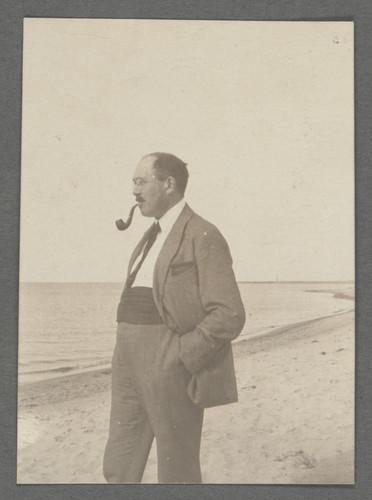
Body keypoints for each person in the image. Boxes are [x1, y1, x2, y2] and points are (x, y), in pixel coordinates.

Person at [103, 152, 246, 483]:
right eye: (133, 182)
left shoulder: (202, 233)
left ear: (168, 184)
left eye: (141, 181)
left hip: (169, 362)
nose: (134, 191)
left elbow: (229, 314)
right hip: (126, 361)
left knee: (176, 467)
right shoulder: (151, 234)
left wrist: (180, 356)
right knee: (119, 462)